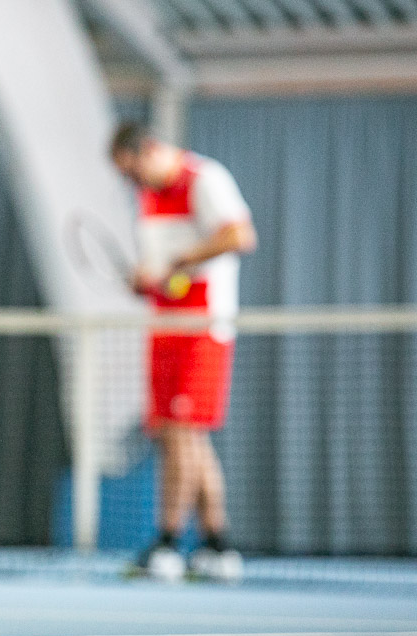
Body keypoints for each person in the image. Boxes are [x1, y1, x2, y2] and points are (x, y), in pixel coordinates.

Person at [110, 122, 257, 582]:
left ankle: (168, 543)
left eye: (133, 170)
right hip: (164, 325)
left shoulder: (204, 179)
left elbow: (239, 237)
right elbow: (162, 266)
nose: (132, 181)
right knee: (187, 437)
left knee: (180, 433)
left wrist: (179, 263)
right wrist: (147, 278)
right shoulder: (148, 197)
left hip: (202, 324)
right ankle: (218, 545)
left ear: (150, 150)